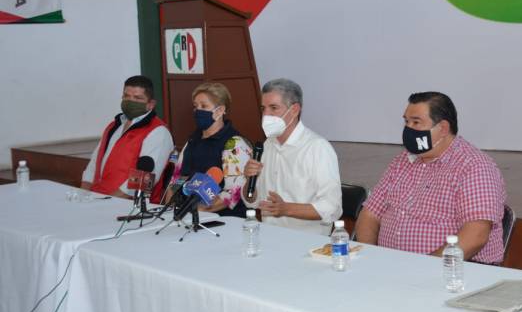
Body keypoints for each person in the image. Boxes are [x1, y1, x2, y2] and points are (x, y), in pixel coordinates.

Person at [355, 91, 507, 263]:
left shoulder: (474, 166)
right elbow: (370, 214)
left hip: (452, 271)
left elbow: (476, 235)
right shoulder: (402, 161)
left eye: (416, 122)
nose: (408, 129)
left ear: (443, 128)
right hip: (391, 267)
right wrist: (371, 258)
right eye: (406, 122)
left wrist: (425, 268)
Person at [242, 78, 342, 235]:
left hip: (308, 242)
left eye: (274, 108)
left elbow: (332, 208)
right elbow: (252, 202)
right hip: (270, 236)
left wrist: (286, 209)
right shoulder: (266, 146)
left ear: (294, 110)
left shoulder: (317, 148)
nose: (266, 115)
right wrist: (250, 180)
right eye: (263, 108)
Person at [165, 82, 252, 216]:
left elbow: (232, 193)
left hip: (222, 220)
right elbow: (177, 179)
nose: (198, 110)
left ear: (220, 110)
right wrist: (169, 208)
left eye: (204, 106)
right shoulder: (193, 139)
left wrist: (195, 211)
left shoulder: (234, 143)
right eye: (196, 106)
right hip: (185, 215)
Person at [81, 75, 174, 199]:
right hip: (97, 199)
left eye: (137, 98)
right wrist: (83, 195)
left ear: (151, 104)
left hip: (127, 205)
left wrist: (107, 202)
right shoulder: (114, 126)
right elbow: (94, 164)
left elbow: (145, 180)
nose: (130, 101)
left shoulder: (158, 132)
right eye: (126, 96)